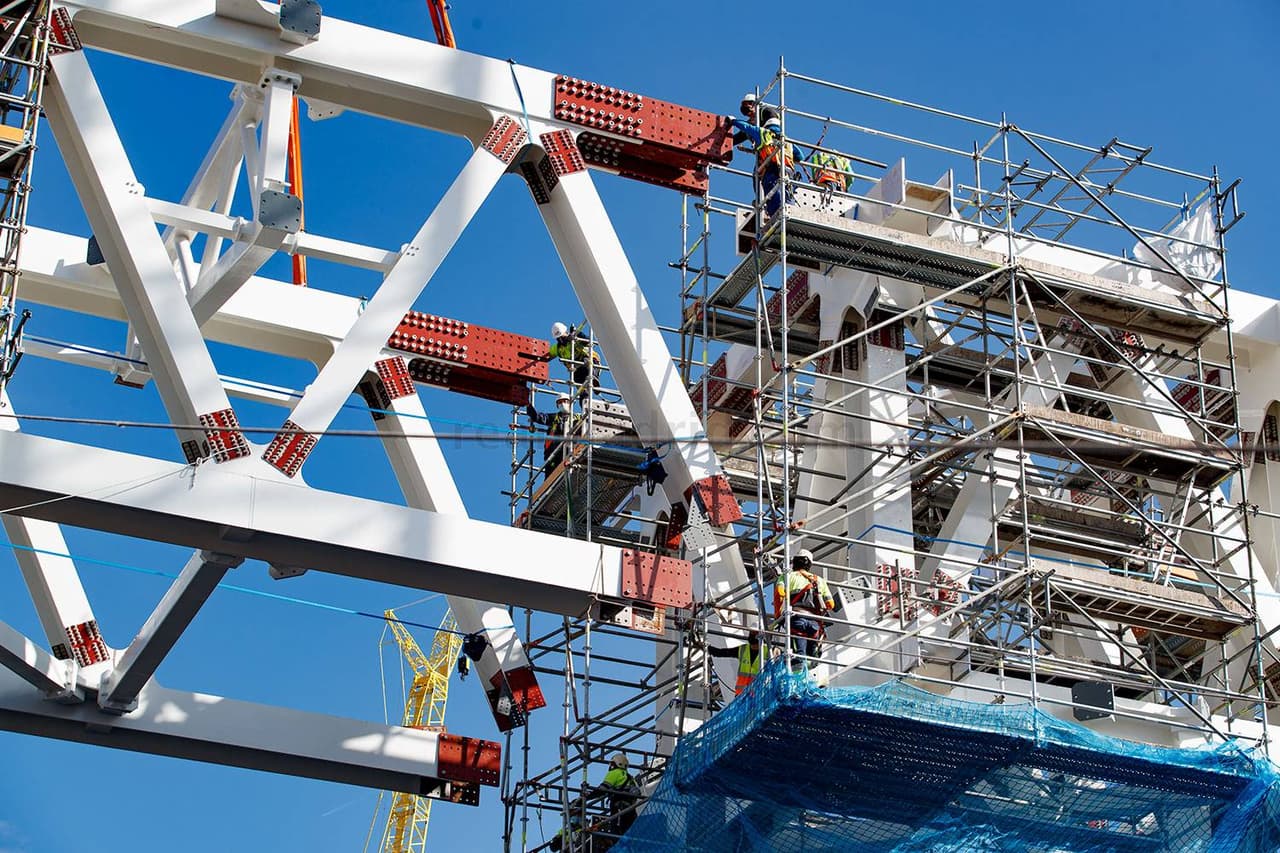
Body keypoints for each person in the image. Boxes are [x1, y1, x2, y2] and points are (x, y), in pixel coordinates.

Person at [728, 95, 793, 217]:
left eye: (748, 105)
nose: (747, 111)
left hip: (774, 159)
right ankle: (762, 204)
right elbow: (736, 139)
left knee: (775, 186)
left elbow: (769, 129)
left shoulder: (766, 112)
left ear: (754, 104)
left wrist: (734, 121)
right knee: (757, 177)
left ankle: (773, 208)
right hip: (767, 159)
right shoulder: (751, 123)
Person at [773, 548, 835, 669]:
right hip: (815, 623)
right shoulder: (819, 580)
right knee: (812, 659)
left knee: (799, 657)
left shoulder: (787, 576)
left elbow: (780, 593)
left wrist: (778, 616)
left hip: (796, 619)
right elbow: (831, 604)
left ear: (795, 562)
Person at [526, 392, 578, 475]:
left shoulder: (578, 418)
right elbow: (537, 417)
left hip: (571, 450)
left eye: (565, 401)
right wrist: (528, 405)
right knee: (551, 477)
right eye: (559, 402)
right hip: (554, 453)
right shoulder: (554, 418)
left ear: (571, 403)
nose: (562, 404)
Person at [548, 322, 600, 402]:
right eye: (558, 338)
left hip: (589, 361)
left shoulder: (575, 337)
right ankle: (584, 399)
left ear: (566, 332)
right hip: (577, 369)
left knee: (588, 363)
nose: (561, 340)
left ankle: (593, 378)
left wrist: (578, 335)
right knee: (579, 385)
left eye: (562, 337)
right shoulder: (558, 348)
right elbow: (546, 357)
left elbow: (589, 342)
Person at [596, 752, 641, 842]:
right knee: (629, 833)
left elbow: (602, 789)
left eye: (612, 764)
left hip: (619, 808)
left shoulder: (615, 773)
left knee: (616, 834)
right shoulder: (630, 777)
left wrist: (586, 797)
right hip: (630, 809)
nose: (611, 766)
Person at [707, 629, 765, 695]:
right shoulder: (743, 649)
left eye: (754, 633)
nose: (753, 647)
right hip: (742, 695)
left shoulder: (766, 652)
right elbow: (721, 652)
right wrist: (707, 647)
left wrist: (778, 650)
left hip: (758, 695)